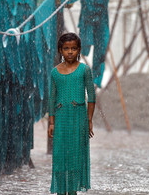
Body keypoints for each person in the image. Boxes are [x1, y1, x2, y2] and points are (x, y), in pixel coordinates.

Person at [48, 32, 96, 195]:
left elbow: (91, 95)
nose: (70, 52)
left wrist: (89, 120)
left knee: (76, 156)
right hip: (61, 120)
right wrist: (52, 122)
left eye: (73, 48)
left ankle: (73, 191)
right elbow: (52, 98)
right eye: (66, 48)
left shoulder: (84, 70)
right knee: (60, 156)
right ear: (60, 50)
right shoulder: (55, 72)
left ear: (79, 50)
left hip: (78, 120)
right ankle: (61, 191)